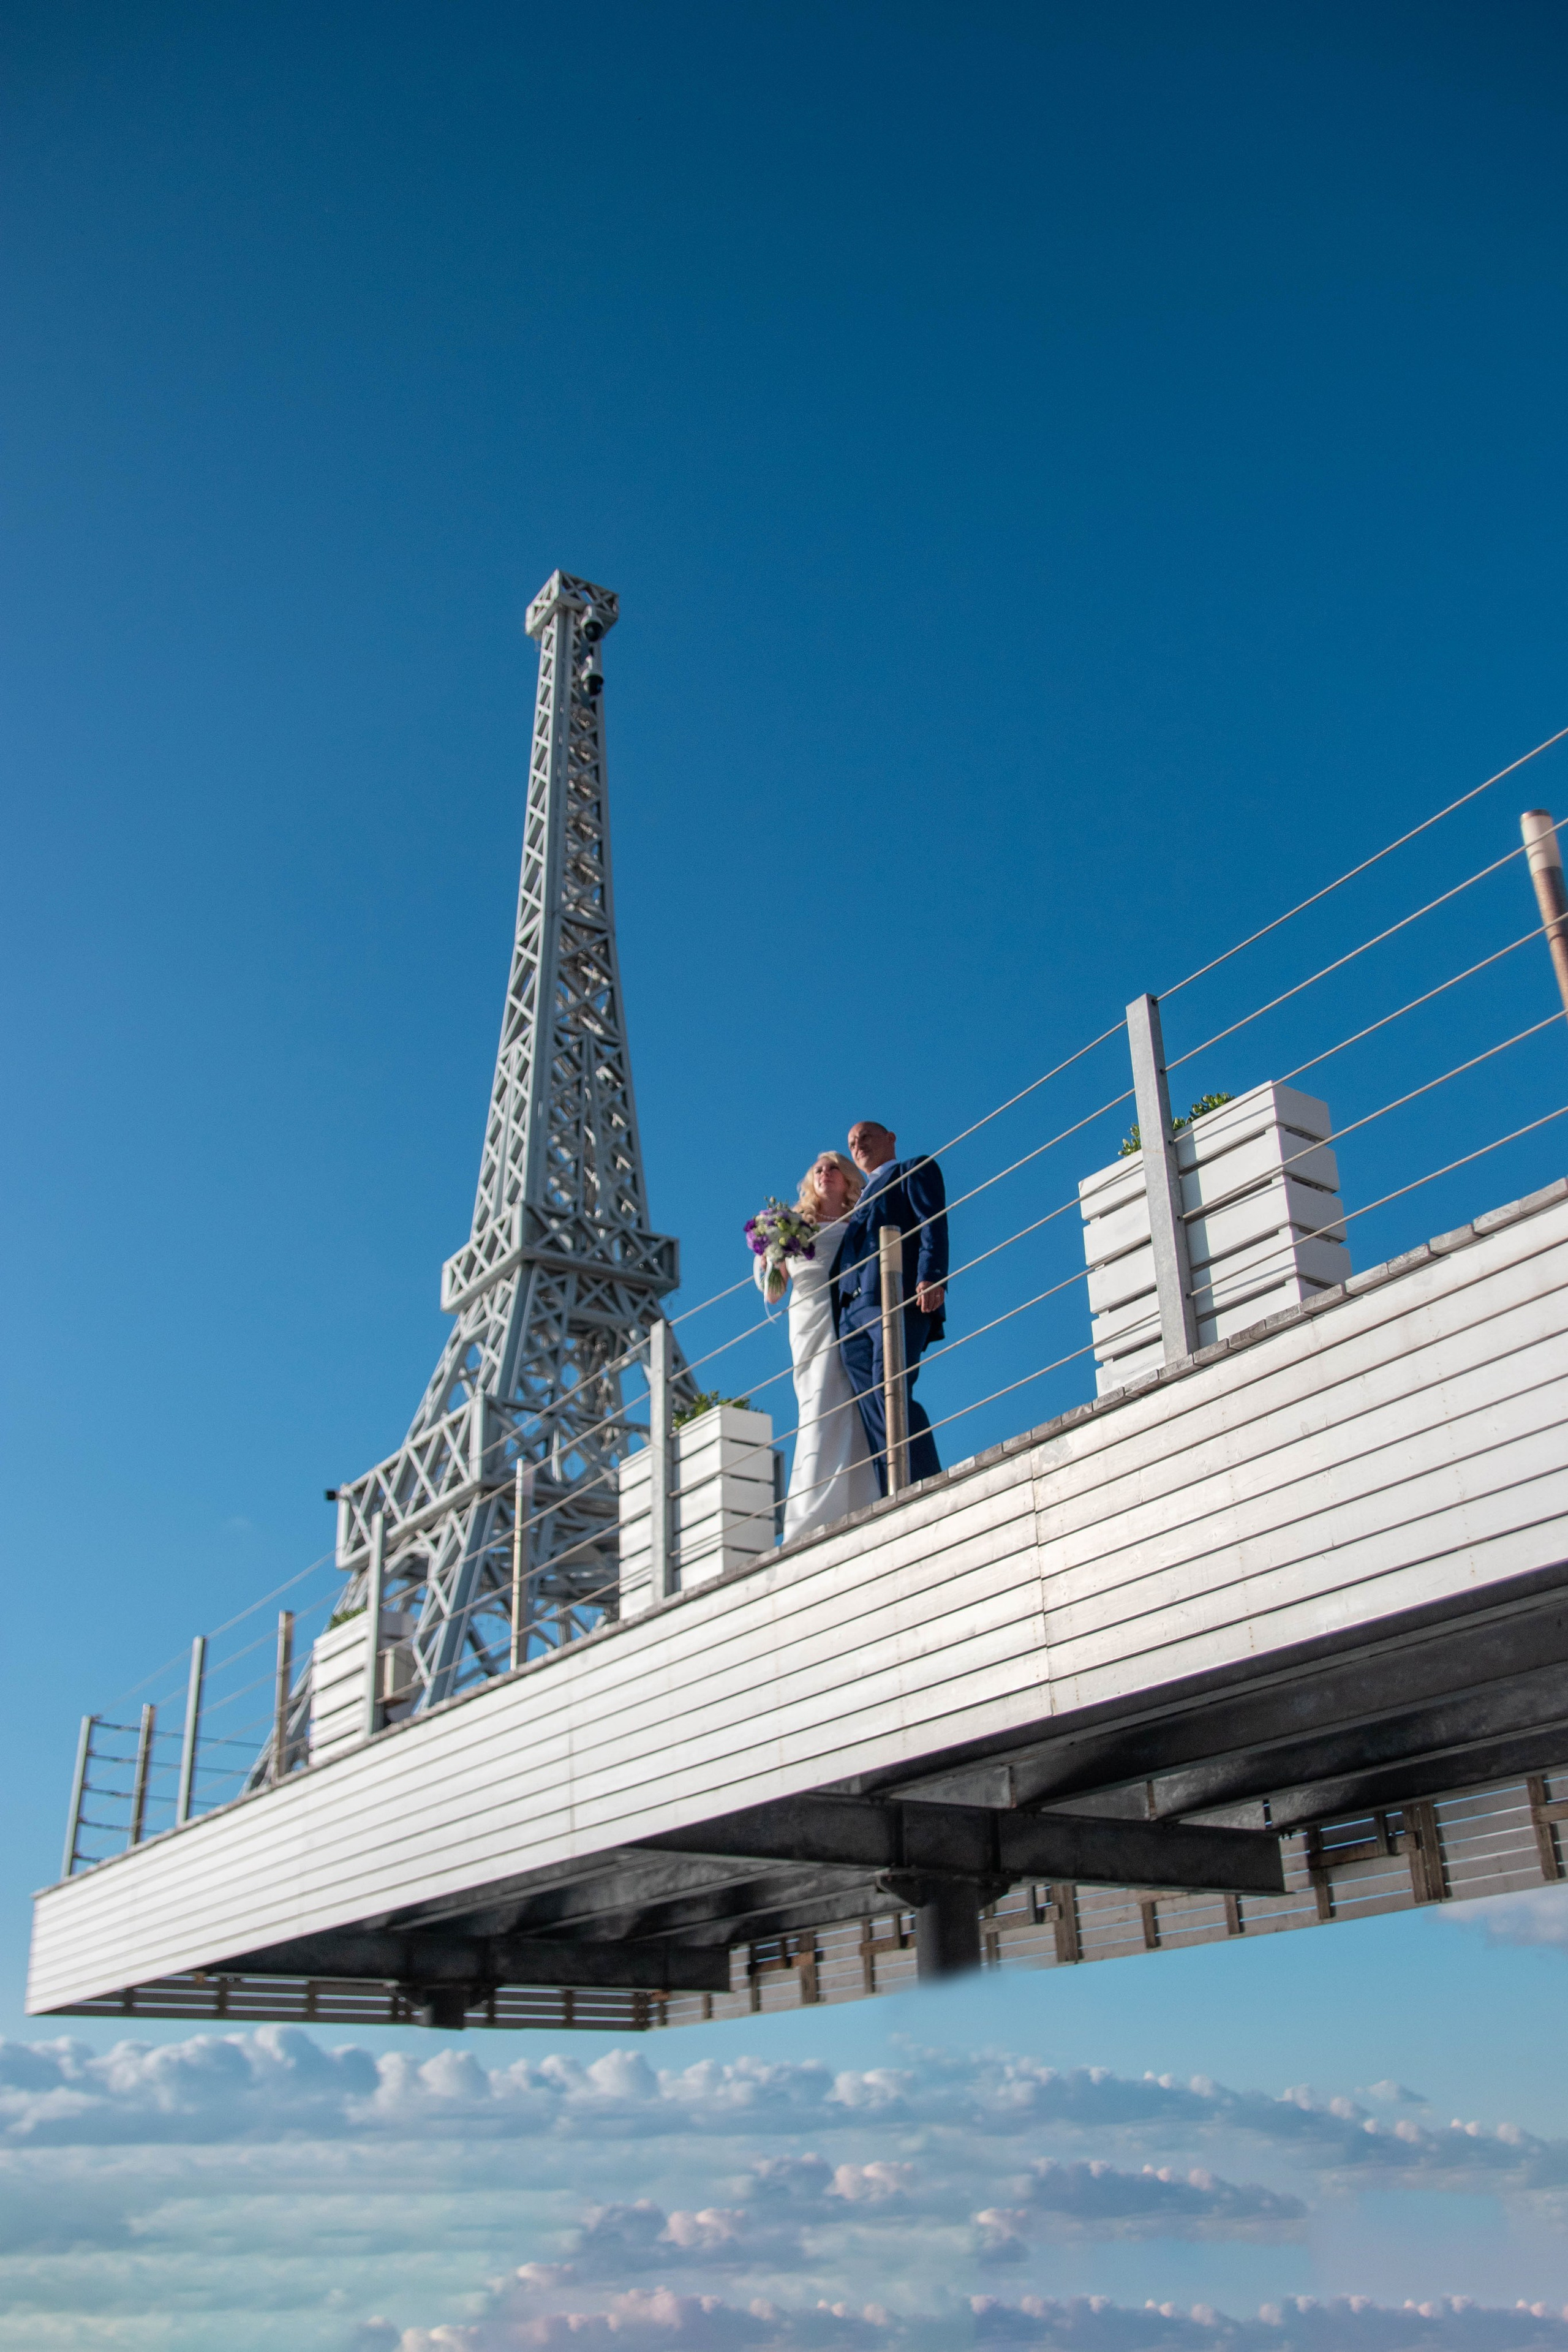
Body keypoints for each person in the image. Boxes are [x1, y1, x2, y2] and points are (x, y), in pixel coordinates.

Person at [755, 1150, 881, 1542]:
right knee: (817, 1400)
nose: (825, 1173)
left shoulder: (861, 1220)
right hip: (810, 1315)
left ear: (847, 1179)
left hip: (850, 1312)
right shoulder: (794, 1225)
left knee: (852, 1397)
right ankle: (810, 1509)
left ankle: (860, 1497)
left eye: (833, 1168)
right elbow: (774, 1293)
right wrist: (772, 1253)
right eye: (819, 1170)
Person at [831, 1120, 948, 1492]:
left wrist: (932, 1276)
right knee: (871, 1407)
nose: (858, 1145)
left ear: (890, 1138)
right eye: (852, 1142)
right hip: (850, 1314)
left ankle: (925, 1480)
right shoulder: (858, 1202)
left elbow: (932, 1223)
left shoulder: (913, 1169)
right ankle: (892, 1489)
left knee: (891, 1387)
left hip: (894, 1296)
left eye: (866, 1136)